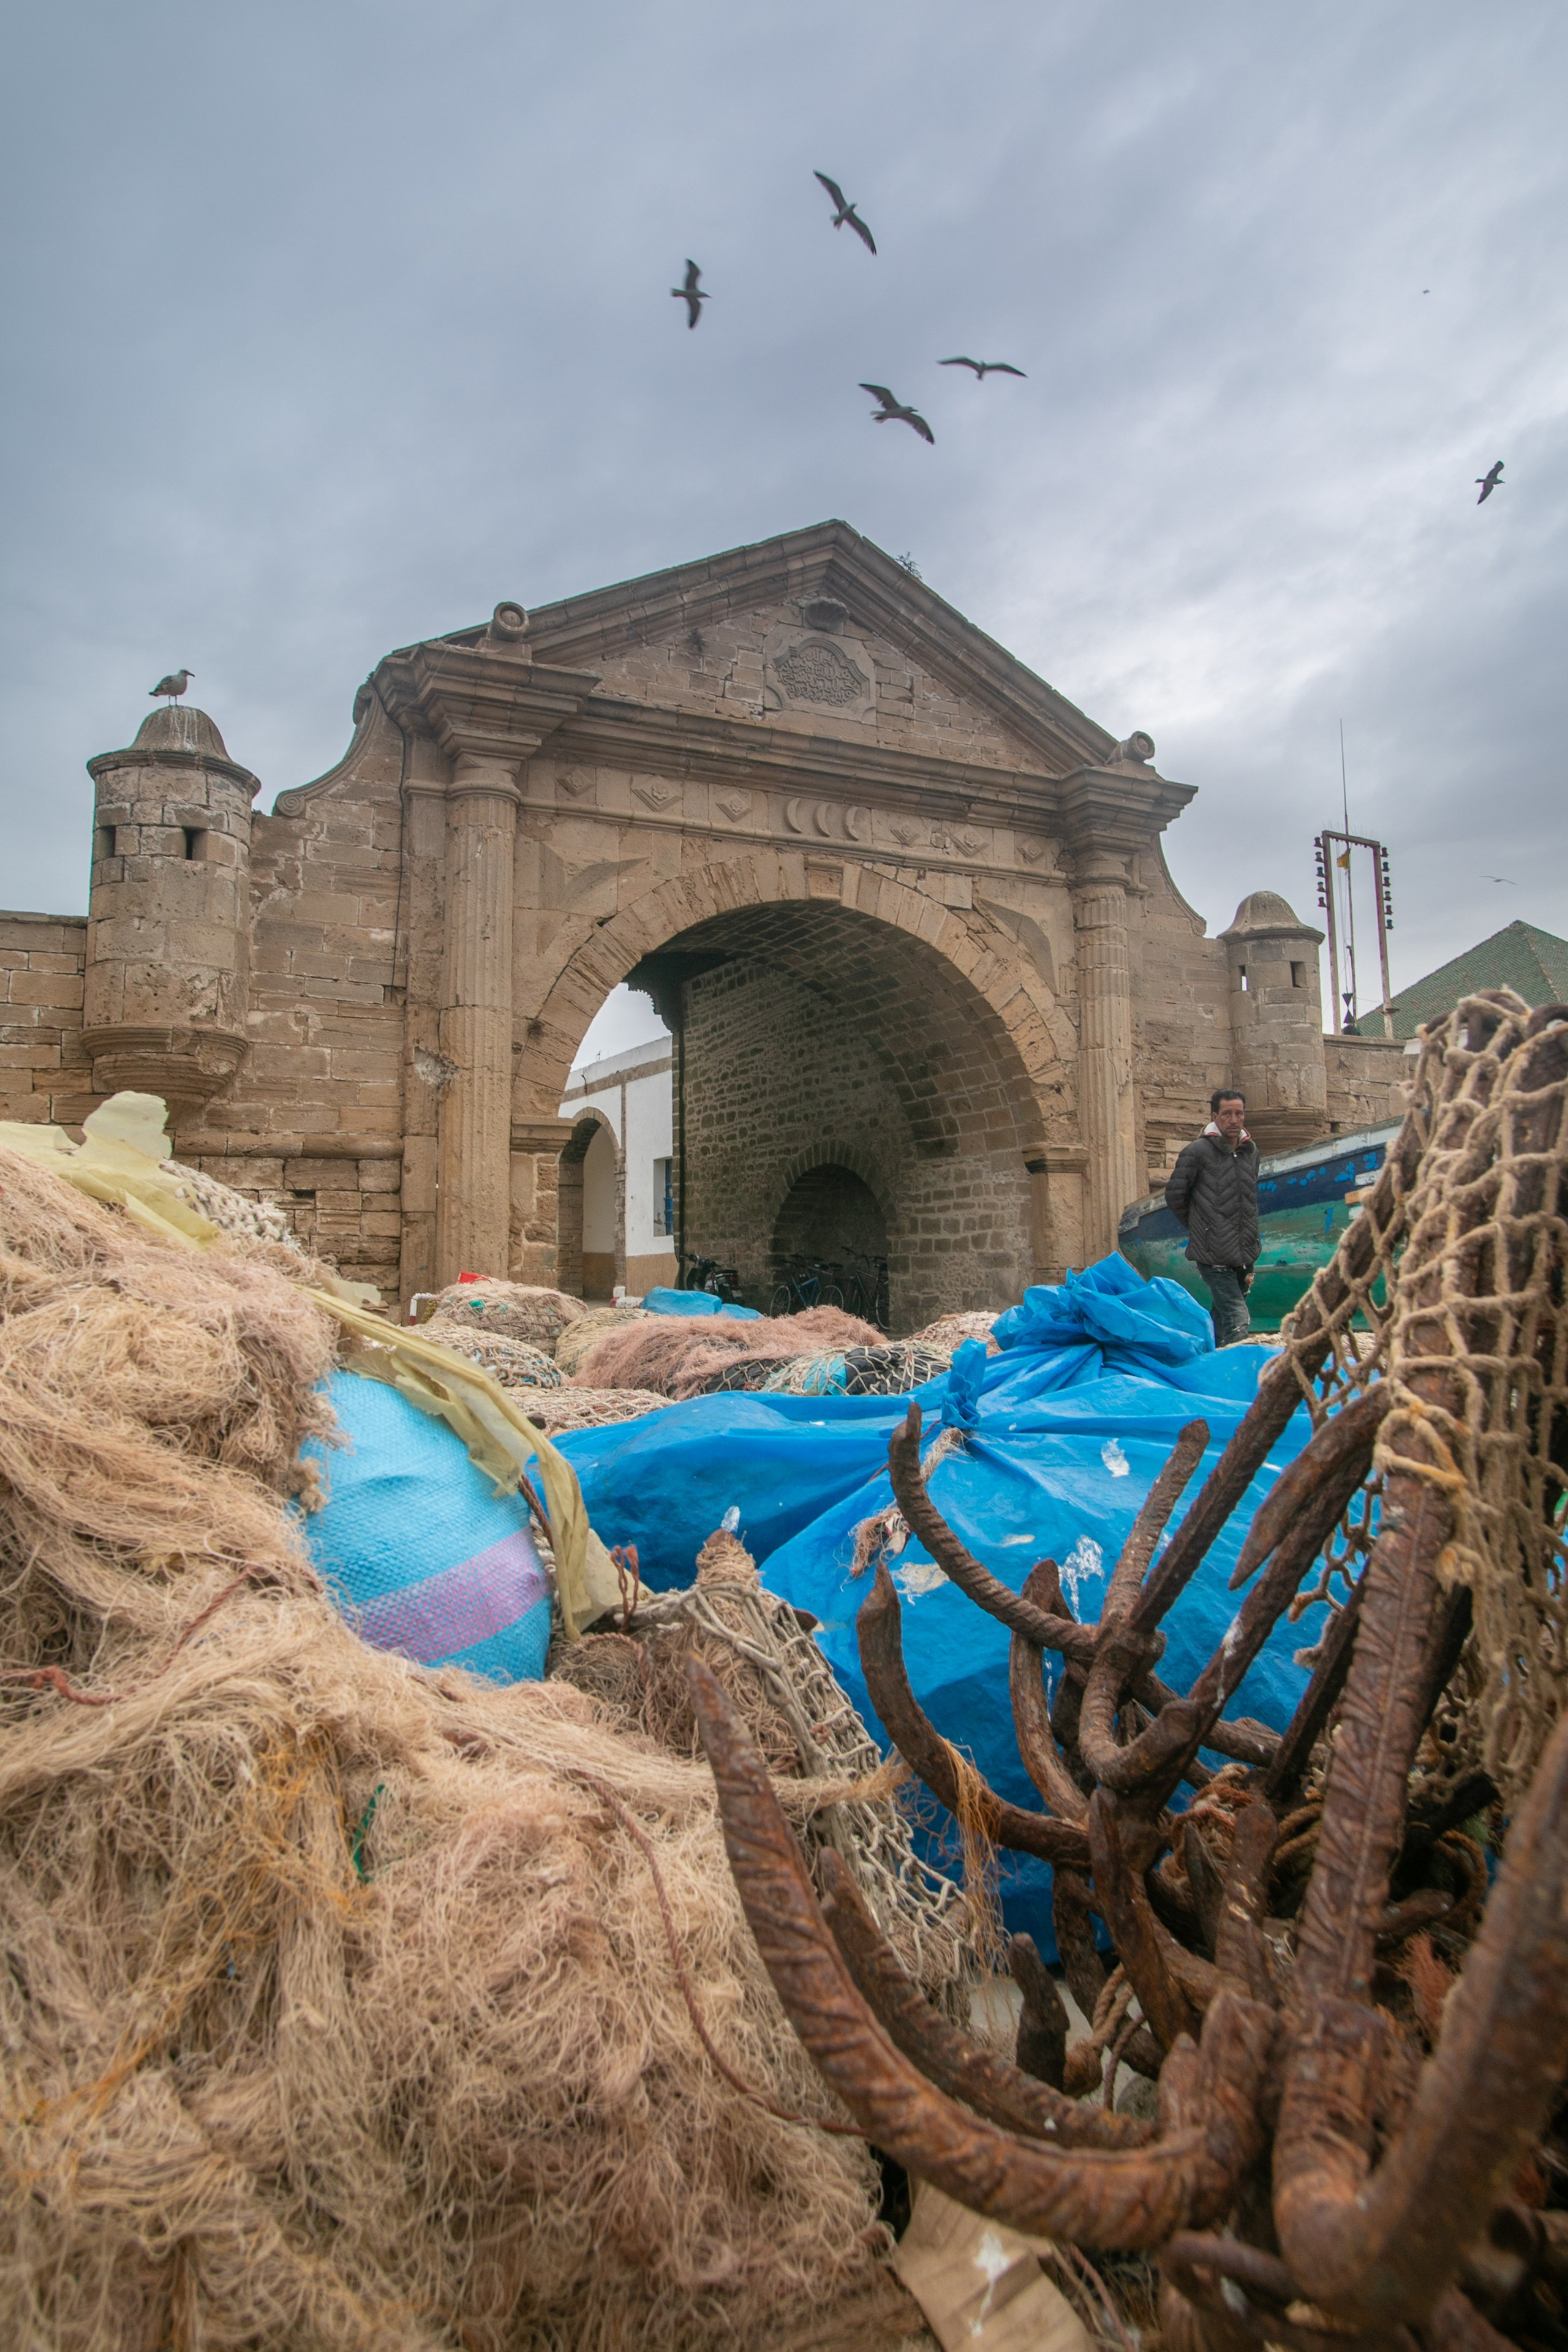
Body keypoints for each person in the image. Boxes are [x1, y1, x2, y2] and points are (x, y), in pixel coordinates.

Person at [1164, 1088, 1260, 1347]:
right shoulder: (1197, 1152)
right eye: (1227, 1114)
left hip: (1245, 1250)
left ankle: (1209, 1355)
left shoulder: (1251, 1151)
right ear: (1214, 1116)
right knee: (1237, 1316)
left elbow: (1250, 1198)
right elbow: (1175, 1196)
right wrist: (1203, 1228)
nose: (1234, 1120)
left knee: (1222, 1314)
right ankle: (1242, 1371)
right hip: (1212, 1252)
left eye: (1239, 1114)